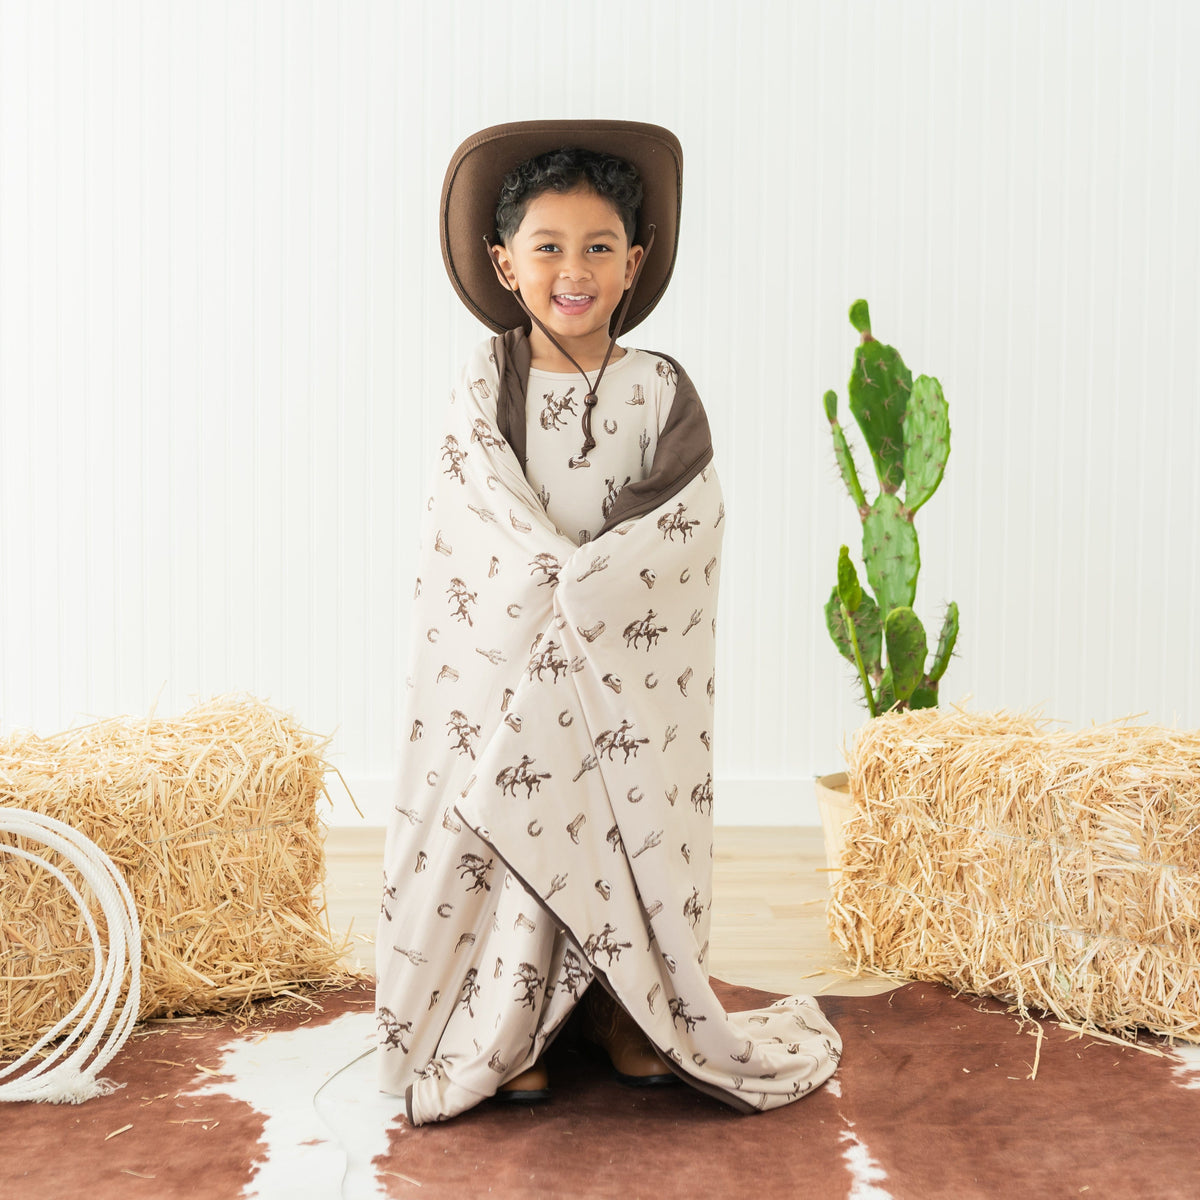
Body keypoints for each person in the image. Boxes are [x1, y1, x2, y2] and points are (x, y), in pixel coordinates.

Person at [376, 119, 840, 1126]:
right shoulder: (485, 381)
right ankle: (511, 1020)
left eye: (597, 248)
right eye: (547, 247)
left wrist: (594, 593)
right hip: (516, 661)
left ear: (634, 264)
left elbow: (687, 523)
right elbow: (476, 510)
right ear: (505, 263)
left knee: (632, 823)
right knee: (523, 810)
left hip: (628, 671)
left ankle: (630, 1015)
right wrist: (558, 587)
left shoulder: (660, 389)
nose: (572, 271)